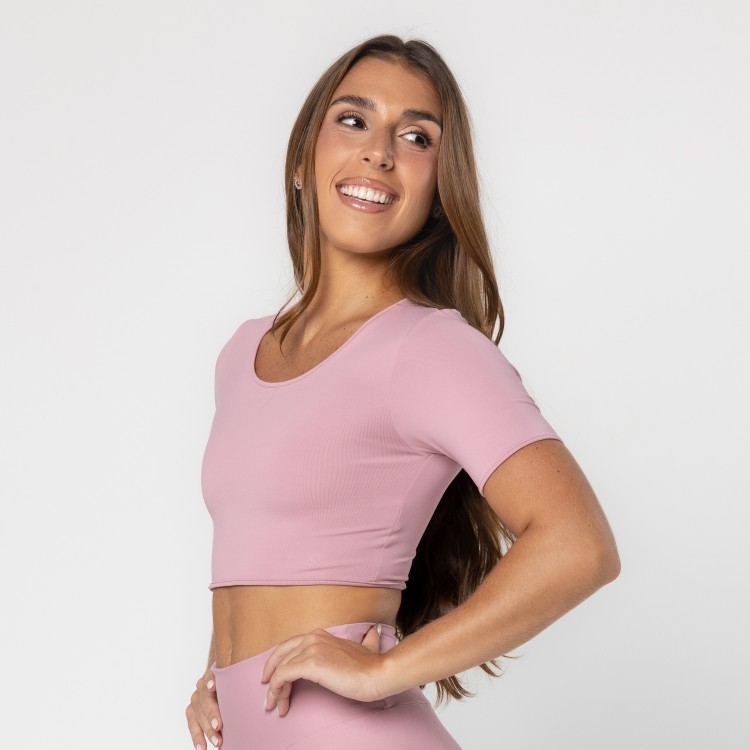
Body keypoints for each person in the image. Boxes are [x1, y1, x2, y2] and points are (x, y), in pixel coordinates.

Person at [185, 34, 620, 750]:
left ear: (439, 191)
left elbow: (580, 545)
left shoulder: (429, 347)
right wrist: (217, 674)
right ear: (301, 159)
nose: (379, 152)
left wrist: (384, 672)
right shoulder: (243, 352)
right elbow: (260, 546)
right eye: (353, 120)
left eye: (416, 137)